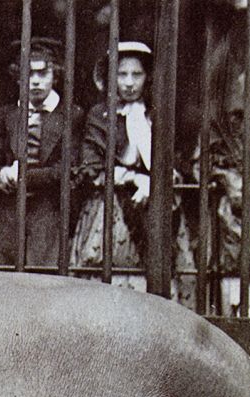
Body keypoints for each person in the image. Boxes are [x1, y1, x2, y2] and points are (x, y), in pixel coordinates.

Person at [69, 40, 194, 299]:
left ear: (147, 77)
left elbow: (178, 162)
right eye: (122, 74)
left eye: (136, 74)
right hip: (110, 210)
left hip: (155, 207)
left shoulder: (159, 114)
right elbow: (91, 166)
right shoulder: (99, 115)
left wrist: (158, 180)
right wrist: (134, 177)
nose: (128, 82)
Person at [0, 37, 83, 268]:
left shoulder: (72, 116)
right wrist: (1, 173)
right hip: (9, 210)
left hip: (47, 210)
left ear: (55, 76)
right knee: (7, 277)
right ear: (18, 77)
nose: (35, 81)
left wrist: (25, 178)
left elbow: (67, 169)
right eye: (29, 74)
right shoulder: (7, 114)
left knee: (43, 277)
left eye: (43, 74)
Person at [199, 71, 250, 316]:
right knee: (234, 301)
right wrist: (231, 182)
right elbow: (204, 163)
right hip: (232, 227)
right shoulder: (227, 128)